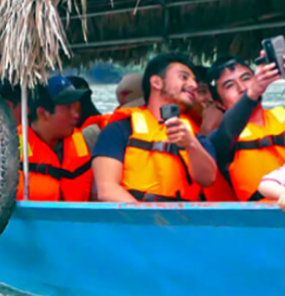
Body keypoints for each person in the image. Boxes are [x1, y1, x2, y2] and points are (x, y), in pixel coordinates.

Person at [91, 53, 220, 203]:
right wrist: (151, 221)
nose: (193, 85)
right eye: (184, 77)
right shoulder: (118, 130)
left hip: (181, 222)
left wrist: (190, 144)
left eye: (194, 80)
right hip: (134, 222)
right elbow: (107, 190)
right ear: (157, 82)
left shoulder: (197, 139)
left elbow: (208, 179)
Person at [206, 51, 285, 201]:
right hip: (261, 217)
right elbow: (228, 129)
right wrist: (252, 93)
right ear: (219, 103)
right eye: (229, 86)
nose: (242, 88)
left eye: (246, 79)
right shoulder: (220, 139)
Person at [11, 76, 94, 202]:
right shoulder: (8, 150)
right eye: (68, 108)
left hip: (74, 220)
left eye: (76, 106)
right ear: (43, 114)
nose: (76, 115)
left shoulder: (84, 143)